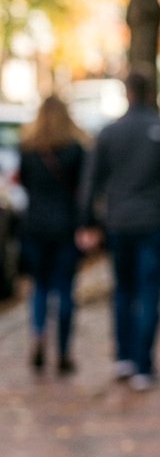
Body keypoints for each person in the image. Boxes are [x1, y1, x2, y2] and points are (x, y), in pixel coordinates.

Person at [78, 70, 160, 391]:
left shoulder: (110, 132)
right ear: (150, 91)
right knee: (149, 291)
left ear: (127, 94)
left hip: (120, 223)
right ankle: (143, 363)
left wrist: (90, 221)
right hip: (153, 223)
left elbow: (91, 181)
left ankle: (124, 356)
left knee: (123, 289)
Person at [18, 94, 87, 373]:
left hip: (34, 227)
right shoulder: (75, 149)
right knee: (65, 289)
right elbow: (83, 190)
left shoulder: (28, 148)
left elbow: (23, 183)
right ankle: (64, 350)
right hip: (65, 228)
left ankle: (38, 334)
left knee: (40, 287)